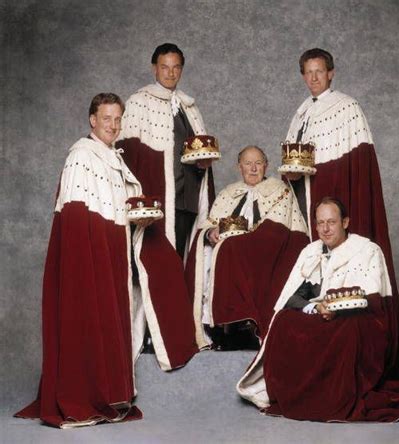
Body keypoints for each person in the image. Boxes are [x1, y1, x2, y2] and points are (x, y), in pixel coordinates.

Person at [14, 93, 197, 429]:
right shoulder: (82, 155)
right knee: (88, 318)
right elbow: (74, 216)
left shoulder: (114, 156)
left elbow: (121, 206)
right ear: (92, 120)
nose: (113, 125)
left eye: (117, 119)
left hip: (113, 248)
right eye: (107, 119)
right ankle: (87, 393)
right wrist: (85, 263)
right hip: (91, 253)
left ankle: (112, 391)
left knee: (126, 308)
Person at [282, 47, 399, 352]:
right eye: (308, 73)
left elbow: (358, 169)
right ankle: (314, 319)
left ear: (331, 73)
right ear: (302, 76)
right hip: (309, 200)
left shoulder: (347, 107)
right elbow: (294, 165)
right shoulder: (302, 113)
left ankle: (341, 327)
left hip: (334, 200)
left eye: (319, 71)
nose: (313, 78)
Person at [237, 197, 399, 422]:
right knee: (284, 321)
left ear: (345, 222)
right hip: (322, 315)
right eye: (320, 223)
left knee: (348, 330)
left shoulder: (367, 250)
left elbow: (373, 301)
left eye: (331, 222)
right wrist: (315, 307)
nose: (325, 229)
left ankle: (331, 397)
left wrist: (337, 309)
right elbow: (292, 296)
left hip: (358, 318)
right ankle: (300, 393)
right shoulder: (311, 252)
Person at [185, 146, 308, 349]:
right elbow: (208, 224)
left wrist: (245, 240)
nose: (253, 168)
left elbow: (278, 228)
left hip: (268, 250)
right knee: (208, 252)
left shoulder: (279, 189)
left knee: (233, 249)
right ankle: (217, 326)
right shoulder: (228, 193)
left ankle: (246, 323)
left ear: (266, 166)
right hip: (231, 248)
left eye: (258, 163)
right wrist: (210, 232)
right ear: (239, 167)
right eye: (248, 164)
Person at [117, 43, 215, 259]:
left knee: (182, 261)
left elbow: (199, 154)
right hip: (157, 199)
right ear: (154, 68)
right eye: (165, 67)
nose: (171, 73)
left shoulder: (189, 107)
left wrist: (202, 165)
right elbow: (126, 156)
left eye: (176, 67)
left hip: (187, 202)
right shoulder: (139, 102)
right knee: (156, 264)